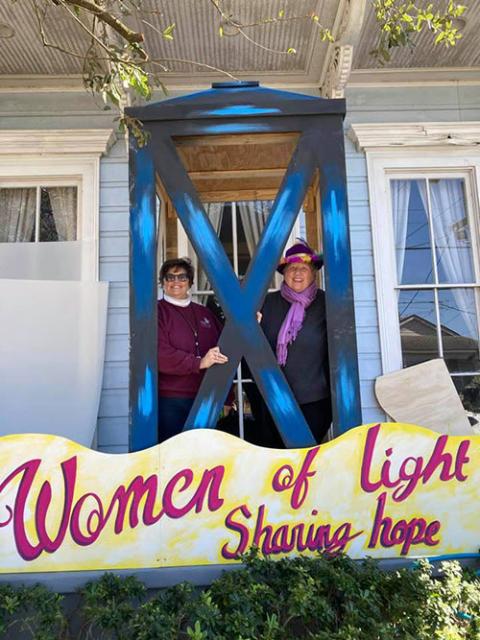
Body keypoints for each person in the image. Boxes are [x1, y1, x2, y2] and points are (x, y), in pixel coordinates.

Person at [259, 242, 331, 446]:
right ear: (284, 273)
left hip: (315, 399)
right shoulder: (266, 303)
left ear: (314, 273)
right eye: (292, 268)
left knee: (305, 457)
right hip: (274, 398)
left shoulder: (327, 303)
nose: (297, 273)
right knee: (277, 458)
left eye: (304, 268)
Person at [157, 257, 229, 442]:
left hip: (205, 397)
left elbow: (225, 351)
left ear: (190, 281)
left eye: (182, 277)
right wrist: (198, 362)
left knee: (204, 457)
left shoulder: (204, 313)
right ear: (162, 282)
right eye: (169, 277)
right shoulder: (156, 312)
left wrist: (227, 397)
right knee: (174, 457)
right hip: (171, 400)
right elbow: (160, 354)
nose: (176, 282)